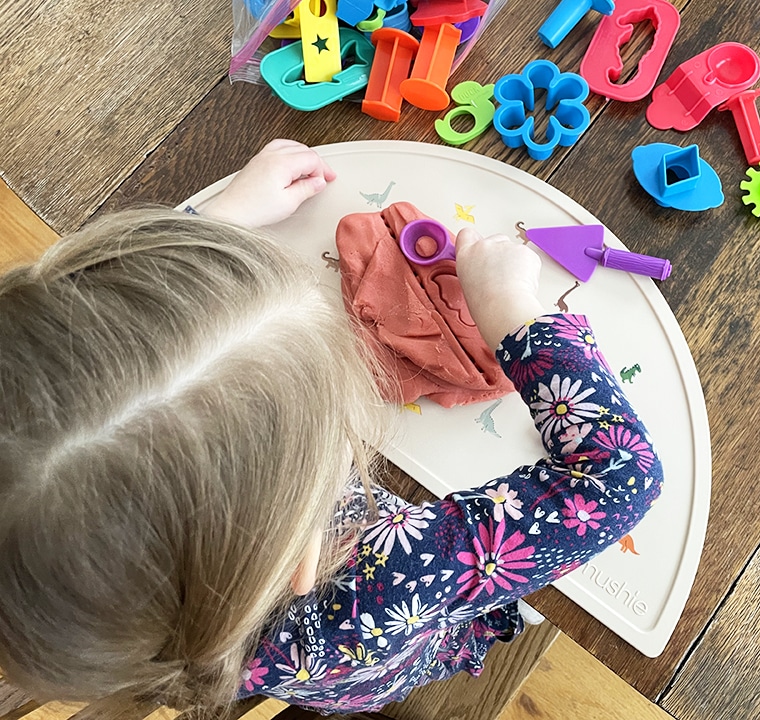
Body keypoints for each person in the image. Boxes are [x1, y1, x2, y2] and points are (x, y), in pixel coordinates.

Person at [0, 139, 663, 715]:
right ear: (303, 547)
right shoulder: (379, 583)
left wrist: (213, 231)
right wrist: (512, 310)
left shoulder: (65, 588)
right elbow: (622, 475)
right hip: (393, 650)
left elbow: (84, 365)